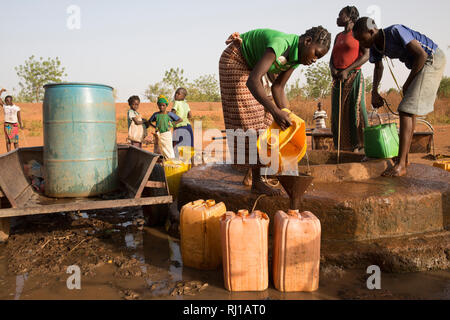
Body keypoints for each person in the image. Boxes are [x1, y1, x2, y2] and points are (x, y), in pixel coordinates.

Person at [219, 27, 331, 195]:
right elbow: (253, 81)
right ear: (307, 41)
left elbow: (278, 87)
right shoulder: (281, 44)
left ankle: (253, 170)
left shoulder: (296, 57)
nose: (315, 59)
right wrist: (277, 111)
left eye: (319, 57)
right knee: (252, 116)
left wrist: (288, 115)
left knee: (268, 118)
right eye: (316, 53)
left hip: (251, 66)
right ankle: (257, 182)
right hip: (235, 59)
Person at [353, 18, 446, 177]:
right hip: (422, 63)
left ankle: (401, 164)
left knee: (405, 110)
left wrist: (407, 83)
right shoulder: (375, 46)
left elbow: (421, 55)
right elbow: (378, 67)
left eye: (362, 39)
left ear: (371, 31)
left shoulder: (395, 31)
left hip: (431, 59)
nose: (361, 43)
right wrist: (374, 91)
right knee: (409, 111)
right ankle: (405, 159)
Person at [329, 6, 369, 152]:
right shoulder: (338, 36)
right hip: (338, 78)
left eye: (341, 15)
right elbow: (332, 58)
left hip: (353, 76)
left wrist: (347, 70)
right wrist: (333, 69)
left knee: (355, 109)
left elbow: (366, 55)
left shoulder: (358, 34)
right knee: (338, 113)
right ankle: (343, 146)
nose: (338, 18)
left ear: (350, 17)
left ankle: (363, 144)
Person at [149, 95, 181, 160]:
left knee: (168, 149)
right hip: (158, 134)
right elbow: (149, 121)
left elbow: (180, 119)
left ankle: (171, 161)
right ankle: (161, 162)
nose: (161, 107)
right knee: (159, 148)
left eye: (163, 105)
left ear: (166, 105)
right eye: (160, 105)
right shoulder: (156, 115)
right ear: (158, 105)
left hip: (167, 134)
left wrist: (172, 124)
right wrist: (155, 127)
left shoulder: (169, 114)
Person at [171, 87, 194, 158]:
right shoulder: (186, 104)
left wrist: (169, 118)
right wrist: (184, 117)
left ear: (183, 96)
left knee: (177, 146)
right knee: (189, 146)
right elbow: (190, 115)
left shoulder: (176, 103)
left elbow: (172, 114)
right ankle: (190, 163)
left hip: (179, 127)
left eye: (178, 94)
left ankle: (178, 163)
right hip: (188, 127)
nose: (176, 95)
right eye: (176, 93)